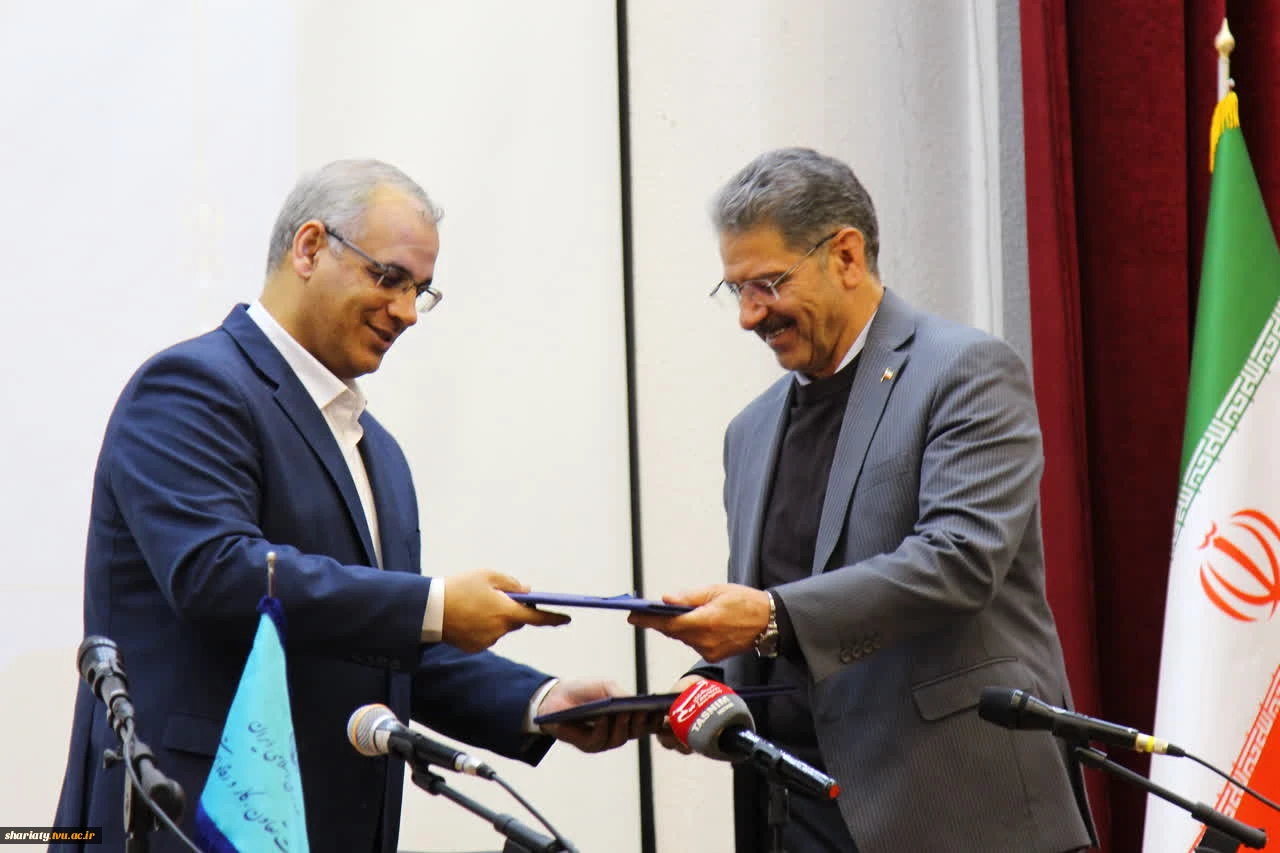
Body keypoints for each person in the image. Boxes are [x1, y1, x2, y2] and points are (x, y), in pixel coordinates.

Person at [53, 159, 646, 853]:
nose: (406, 312)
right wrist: (435, 605)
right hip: (191, 821)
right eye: (389, 277)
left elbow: (377, 648)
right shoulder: (191, 386)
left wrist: (538, 702)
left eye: (420, 291)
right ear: (309, 248)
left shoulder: (376, 450)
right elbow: (217, 575)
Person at [630, 148, 1096, 852]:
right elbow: (777, 618)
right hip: (792, 813)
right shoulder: (749, 430)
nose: (749, 316)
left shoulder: (965, 371)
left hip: (951, 808)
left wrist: (769, 615)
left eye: (767, 284)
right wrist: (702, 685)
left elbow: (959, 560)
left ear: (846, 255)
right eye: (736, 289)